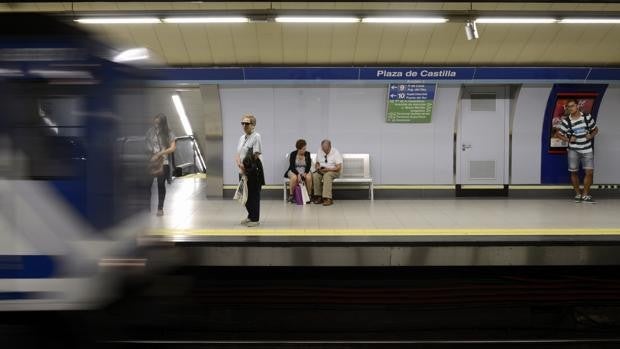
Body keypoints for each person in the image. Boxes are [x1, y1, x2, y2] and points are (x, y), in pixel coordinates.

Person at [556, 98, 599, 204]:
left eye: (572, 105)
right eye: (568, 106)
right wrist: (568, 139)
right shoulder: (566, 121)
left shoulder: (587, 117)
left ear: (577, 106)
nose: (570, 108)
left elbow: (596, 129)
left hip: (587, 149)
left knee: (589, 172)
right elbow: (558, 134)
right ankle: (577, 194)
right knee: (574, 172)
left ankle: (585, 195)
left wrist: (591, 135)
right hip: (573, 151)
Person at [146, 113, 176, 216]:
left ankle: (160, 208)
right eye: (155, 123)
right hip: (152, 160)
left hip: (164, 162)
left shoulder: (169, 133)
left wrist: (160, 153)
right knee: (147, 185)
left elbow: (172, 148)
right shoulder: (150, 132)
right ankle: (147, 207)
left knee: (160, 184)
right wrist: (151, 153)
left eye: (158, 123)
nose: (156, 125)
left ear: (163, 123)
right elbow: (146, 144)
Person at [236, 114, 263, 226]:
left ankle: (255, 219)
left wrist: (245, 166)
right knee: (245, 193)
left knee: (253, 194)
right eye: (243, 123)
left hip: (252, 169)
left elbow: (256, 154)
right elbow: (238, 153)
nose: (244, 126)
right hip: (242, 169)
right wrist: (239, 163)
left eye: (247, 123)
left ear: (253, 125)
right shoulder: (242, 138)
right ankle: (250, 215)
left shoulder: (256, 136)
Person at [312, 139, 343, 206]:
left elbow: (338, 167)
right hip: (322, 170)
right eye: (323, 149)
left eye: (326, 149)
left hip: (333, 171)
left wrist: (328, 169)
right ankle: (318, 196)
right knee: (315, 176)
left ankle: (328, 198)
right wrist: (317, 167)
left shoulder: (335, 152)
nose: (324, 151)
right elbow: (317, 163)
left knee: (327, 175)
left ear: (330, 146)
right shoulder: (320, 150)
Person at [284, 139, 312, 203]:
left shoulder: (307, 154)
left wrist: (305, 172)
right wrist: (298, 174)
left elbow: (309, 165)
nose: (304, 150)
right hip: (294, 170)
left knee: (308, 177)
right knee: (294, 177)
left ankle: (309, 195)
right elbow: (292, 166)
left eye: (305, 148)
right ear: (298, 149)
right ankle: (291, 195)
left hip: (304, 170)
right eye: (303, 149)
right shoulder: (293, 154)